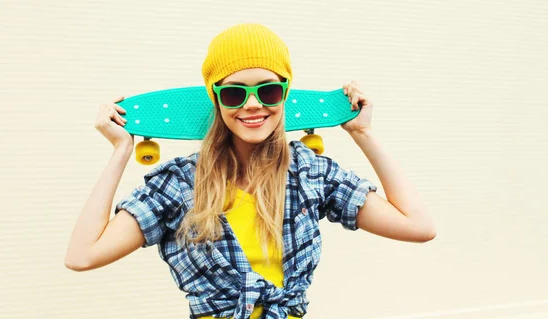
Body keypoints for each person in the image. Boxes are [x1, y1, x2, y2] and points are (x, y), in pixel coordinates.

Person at [64, 23, 436, 319]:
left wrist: (362, 132)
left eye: (269, 91)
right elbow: (82, 256)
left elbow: (418, 227)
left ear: (286, 93)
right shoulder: (179, 185)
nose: (253, 105)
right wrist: (120, 151)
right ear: (215, 98)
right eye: (234, 93)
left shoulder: (309, 173)